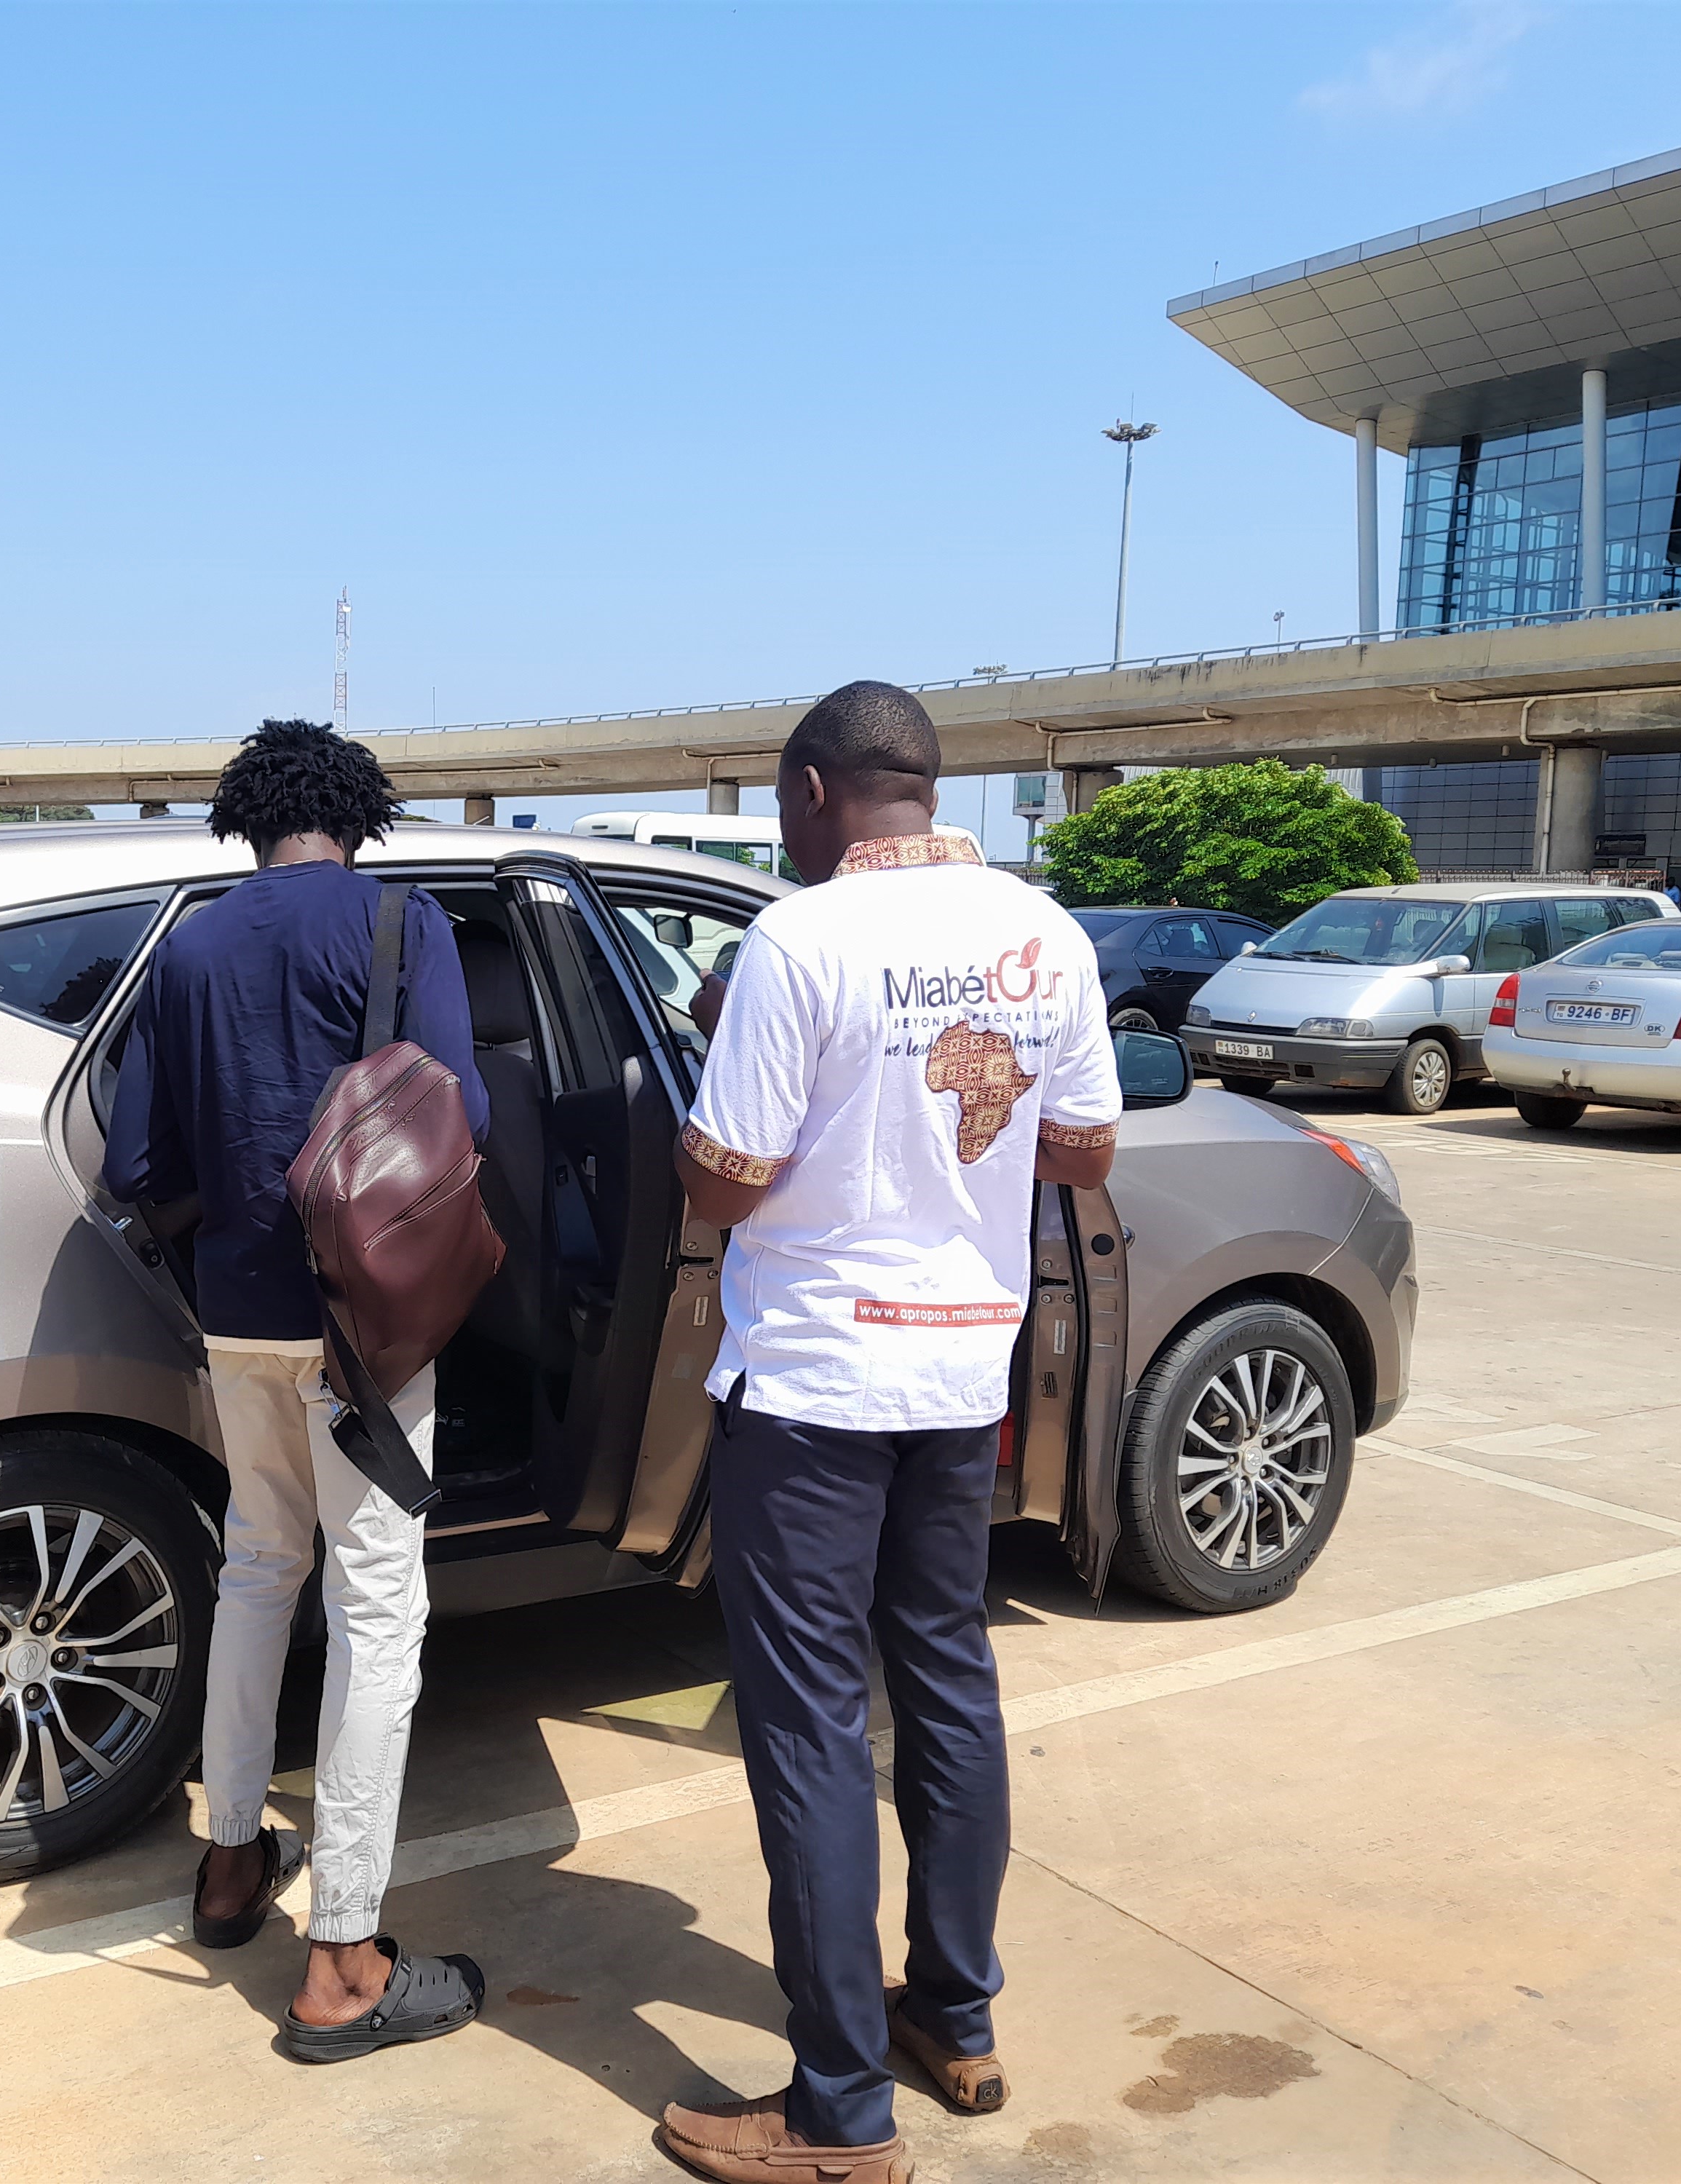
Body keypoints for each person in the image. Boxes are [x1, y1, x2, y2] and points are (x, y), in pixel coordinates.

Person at [655, 681, 1122, 2184]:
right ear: (924, 785)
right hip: (956, 1373)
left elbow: (721, 1182)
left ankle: (837, 2115)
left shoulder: (794, 941)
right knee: (945, 1676)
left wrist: (723, 1061)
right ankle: (954, 2015)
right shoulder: (1041, 930)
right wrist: (953, 1144)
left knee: (801, 1727)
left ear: (809, 791)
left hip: (809, 1384)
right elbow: (1084, 1145)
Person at [100, 719, 493, 2060]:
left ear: (249, 818)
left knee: (259, 1568)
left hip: (235, 1316)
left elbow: (138, 1156)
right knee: (378, 1606)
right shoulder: (400, 927)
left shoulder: (189, 944)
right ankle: (344, 1959)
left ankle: (226, 1865)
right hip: (363, 1327)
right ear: (357, 814)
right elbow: (463, 1116)